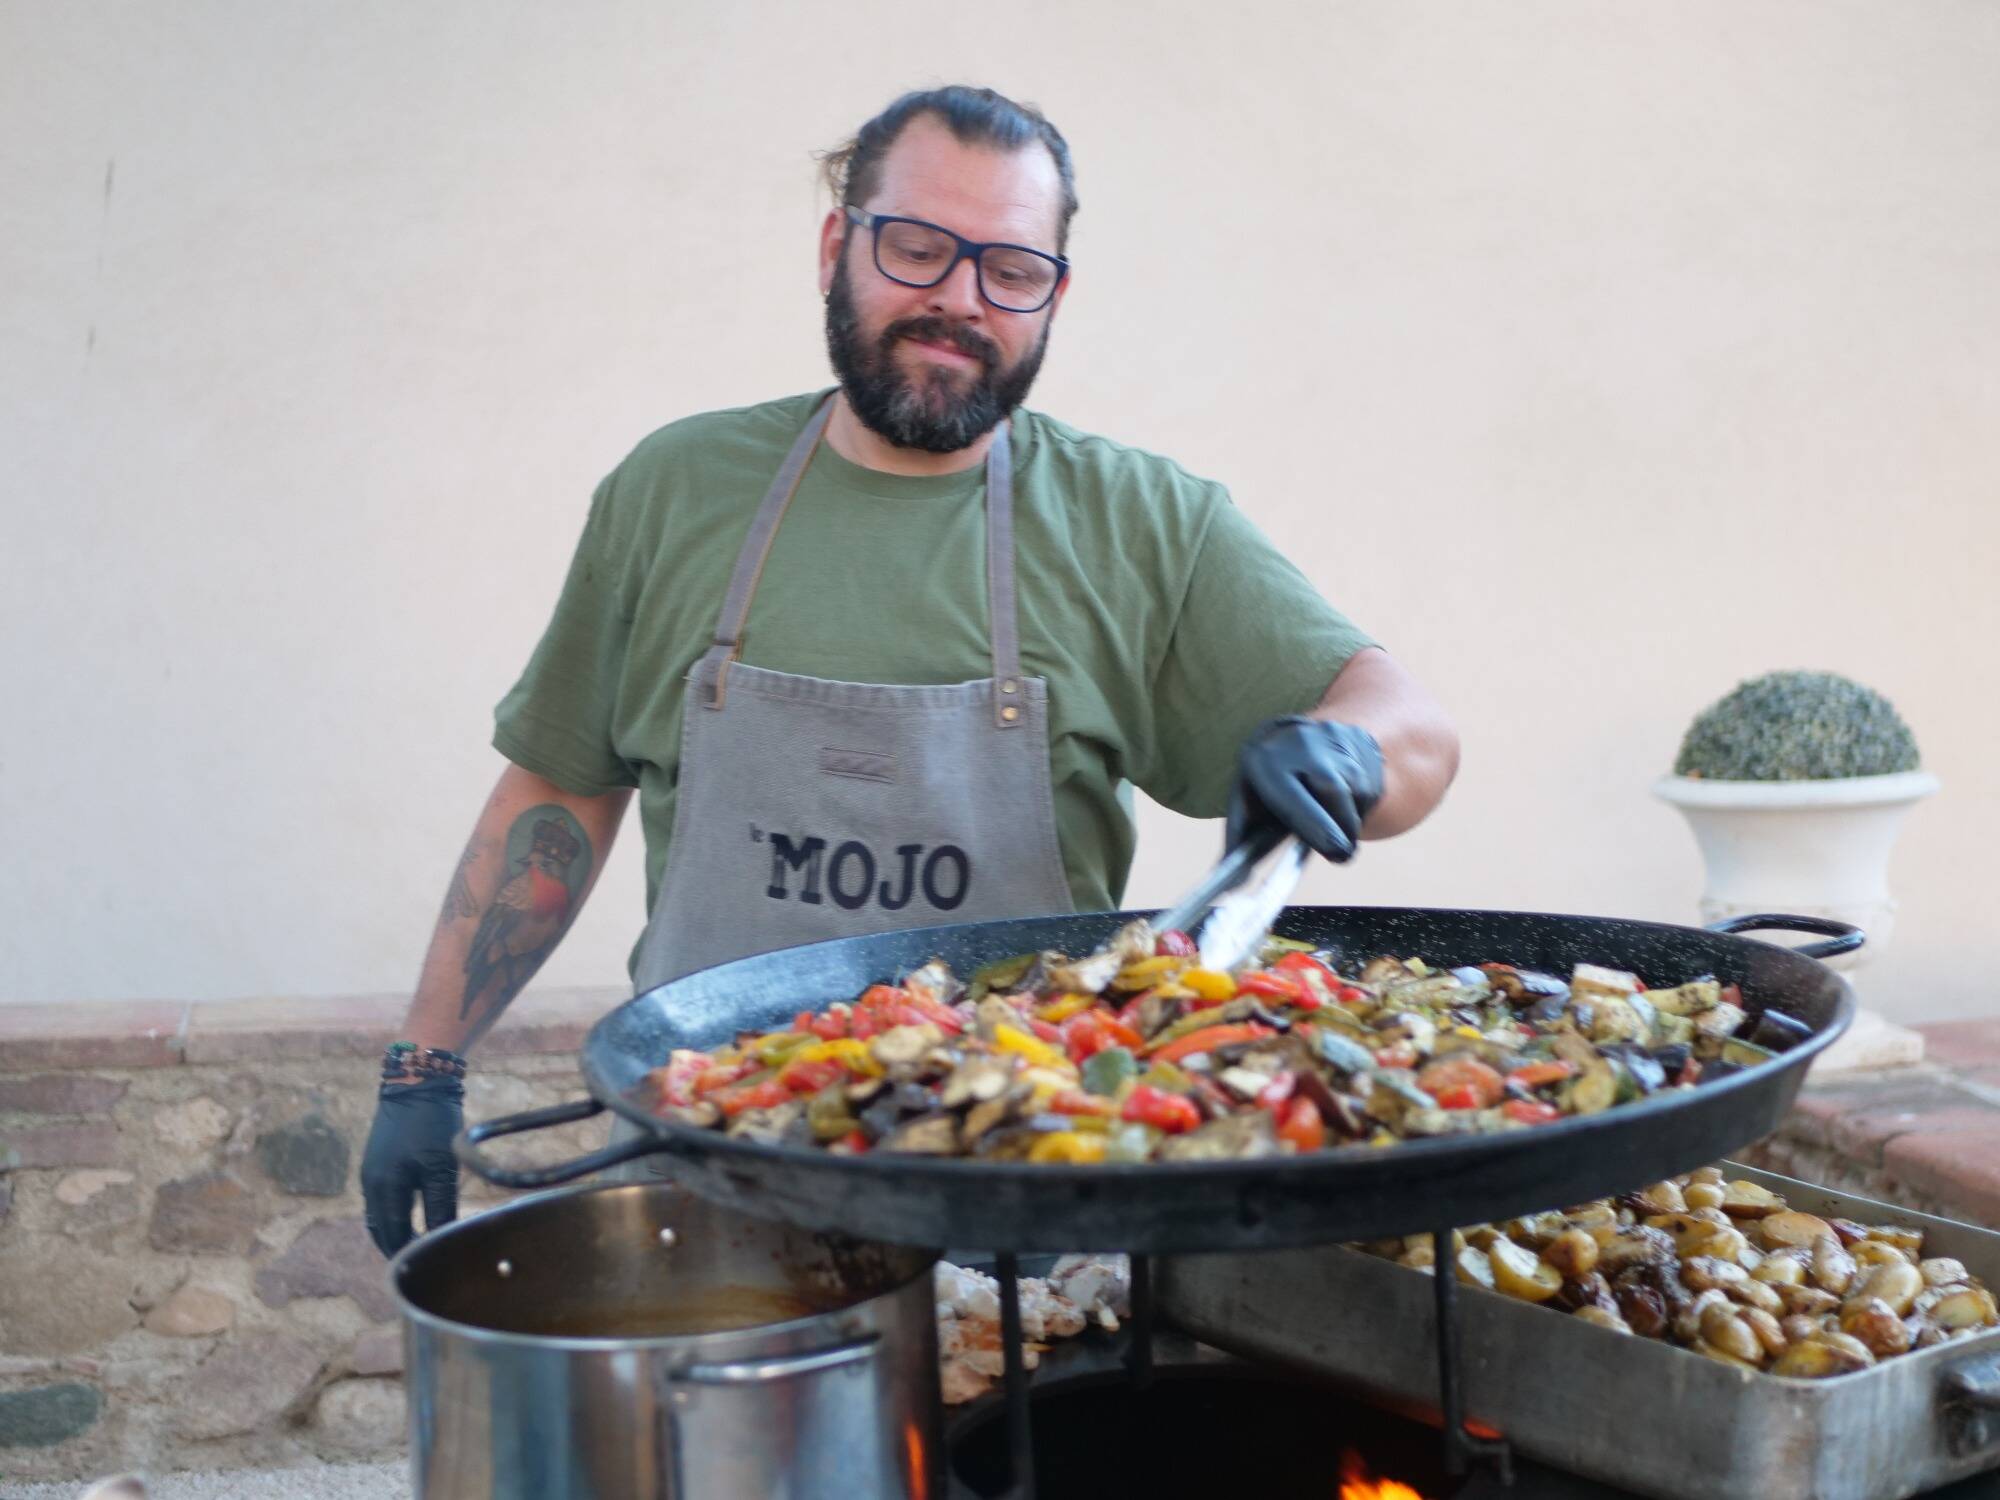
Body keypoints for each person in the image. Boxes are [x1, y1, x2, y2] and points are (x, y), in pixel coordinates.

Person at [361, 85, 1459, 1256]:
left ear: (1053, 296)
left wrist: (1343, 748)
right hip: (704, 1182)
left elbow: (1415, 735)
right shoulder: (672, 491)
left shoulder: (1141, 523)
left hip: (1019, 1218)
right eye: (920, 248)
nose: (959, 300)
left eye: (1010, 270)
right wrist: (426, 1067)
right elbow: (557, 791)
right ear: (838, 245)